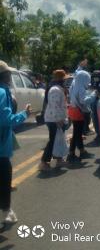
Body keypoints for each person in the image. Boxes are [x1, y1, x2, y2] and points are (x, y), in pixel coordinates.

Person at [0, 60, 31, 230]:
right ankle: (7, 212)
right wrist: (24, 114)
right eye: (9, 74)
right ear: (5, 76)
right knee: (5, 178)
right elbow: (5, 120)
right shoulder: (2, 93)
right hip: (0, 147)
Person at [39, 70, 68, 171]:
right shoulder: (55, 89)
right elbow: (54, 106)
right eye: (64, 79)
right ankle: (43, 162)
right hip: (54, 119)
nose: (65, 81)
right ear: (60, 79)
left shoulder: (58, 88)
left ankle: (59, 160)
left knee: (58, 139)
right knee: (53, 140)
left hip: (56, 118)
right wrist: (58, 119)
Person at [68, 70, 96, 162]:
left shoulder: (74, 85)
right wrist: (93, 95)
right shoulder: (80, 88)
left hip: (73, 110)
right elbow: (83, 100)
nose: (88, 82)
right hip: (78, 111)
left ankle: (82, 151)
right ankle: (71, 153)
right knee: (77, 134)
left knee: (77, 133)